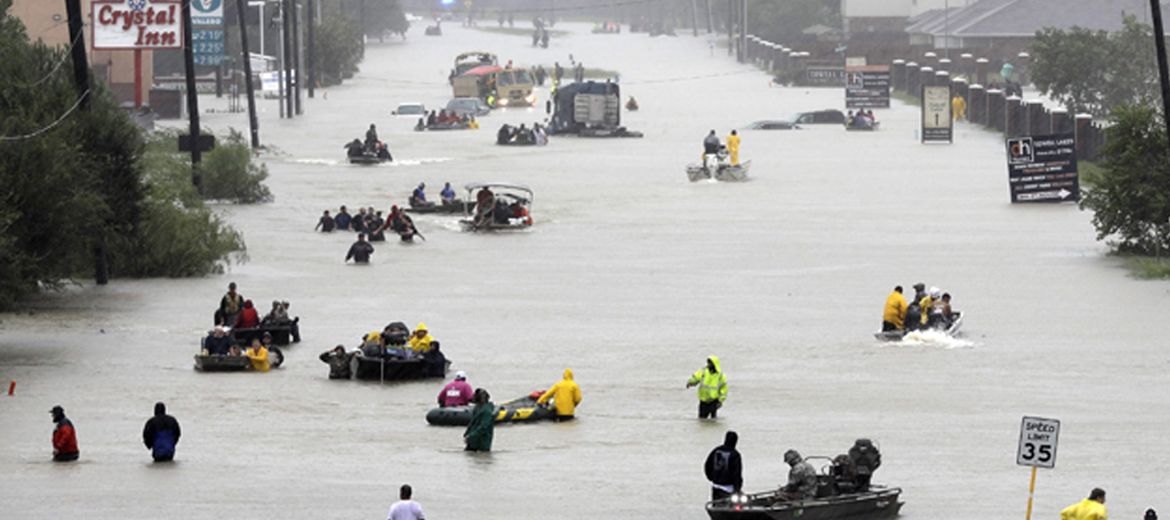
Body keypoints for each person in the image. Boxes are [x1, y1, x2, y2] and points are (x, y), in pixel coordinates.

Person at [704, 431, 743, 500]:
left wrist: (711, 477)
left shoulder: (716, 451)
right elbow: (737, 474)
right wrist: (737, 489)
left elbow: (707, 465)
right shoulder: (735, 454)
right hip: (728, 488)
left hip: (715, 486)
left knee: (715, 505)